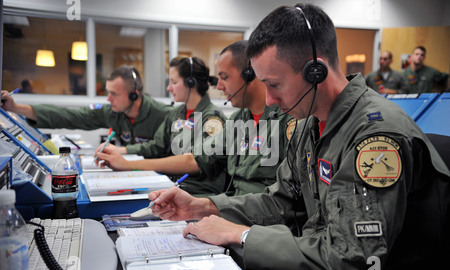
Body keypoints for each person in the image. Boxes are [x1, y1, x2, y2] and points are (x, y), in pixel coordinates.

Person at [149, 3, 450, 270]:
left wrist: (242, 235)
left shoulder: (375, 139)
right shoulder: (309, 125)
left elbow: (355, 258)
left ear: (315, 71)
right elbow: (280, 201)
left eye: (274, 84)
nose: (269, 100)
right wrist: (204, 206)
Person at [96, 40, 293, 196]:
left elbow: (196, 164)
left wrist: (128, 163)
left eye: (224, 77)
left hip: (224, 202)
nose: (220, 86)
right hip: (230, 205)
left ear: (250, 74)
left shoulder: (288, 121)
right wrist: (125, 159)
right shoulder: (237, 120)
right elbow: (191, 157)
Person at [96, 56, 227, 195]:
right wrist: (121, 151)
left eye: (174, 82)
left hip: (198, 193)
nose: (169, 88)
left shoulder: (213, 118)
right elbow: (155, 147)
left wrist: (127, 164)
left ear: (190, 83)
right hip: (172, 184)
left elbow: (193, 162)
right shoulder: (177, 113)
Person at [0, 66, 172, 150]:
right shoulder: (114, 112)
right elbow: (70, 115)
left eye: (115, 94)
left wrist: (122, 151)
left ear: (134, 95)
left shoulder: (164, 115)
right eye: (108, 92)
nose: (108, 99)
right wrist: (15, 107)